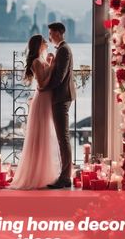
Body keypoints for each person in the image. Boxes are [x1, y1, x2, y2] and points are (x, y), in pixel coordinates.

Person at [10, 34, 61, 190]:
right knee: (41, 135)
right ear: (39, 45)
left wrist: (50, 62)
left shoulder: (41, 59)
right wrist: (52, 66)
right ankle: (36, 174)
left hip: (45, 99)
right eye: (44, 41)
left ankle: (44, 172)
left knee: (46, 135)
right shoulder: (37, 61)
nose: (47, 42)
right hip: (43, 98)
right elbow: (43, 84)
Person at [45, 22, 76, 189]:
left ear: (58, 33)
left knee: (63, 137)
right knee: (62, 137)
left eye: (51, 33)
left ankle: (65, 177)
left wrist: (44, 88)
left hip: (61, 97)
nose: (49, 37)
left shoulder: (64, 50)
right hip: (62, 96)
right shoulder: (62, 49)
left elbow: (60, 77)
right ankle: (64, 175)